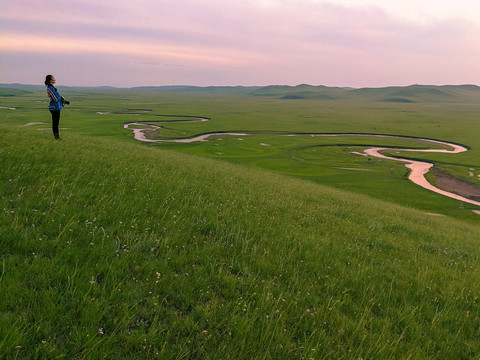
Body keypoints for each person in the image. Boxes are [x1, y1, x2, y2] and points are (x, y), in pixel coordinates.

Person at [45, 75, 69, 140]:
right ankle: (57, 138)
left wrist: (63, 101)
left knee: (56, 123)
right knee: (55, 123)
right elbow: (55, 98)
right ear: (50, 80)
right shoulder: (50, 88)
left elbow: (57, 97)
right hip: (54, 107)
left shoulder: (52, 88)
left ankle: (57, 137)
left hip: (57, 107)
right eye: (53, 79)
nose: (54, 79)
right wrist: (61, 98)